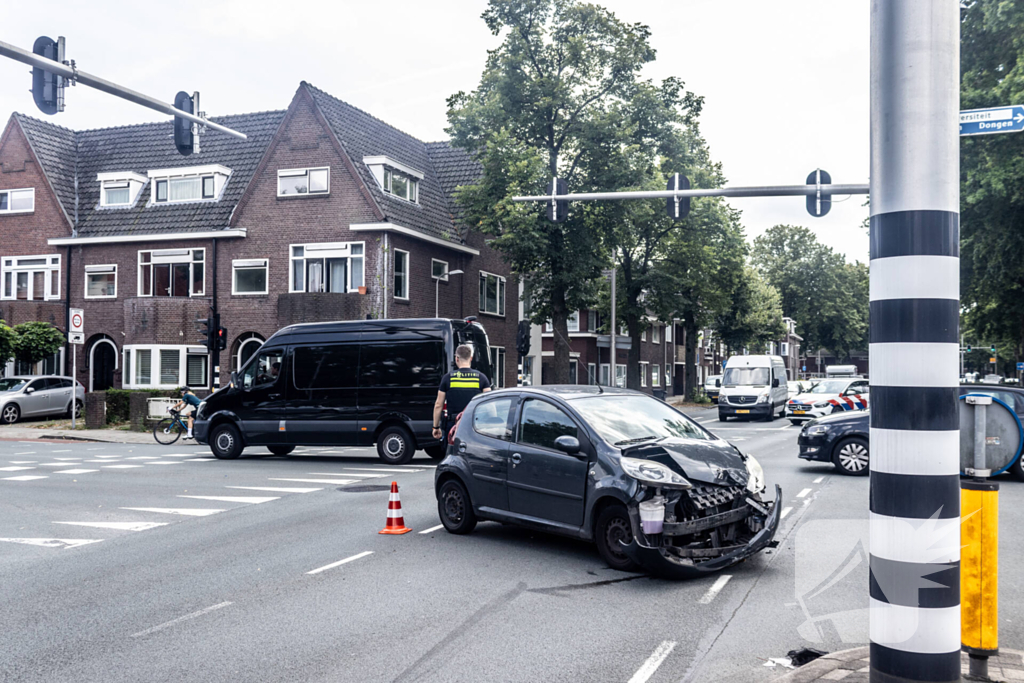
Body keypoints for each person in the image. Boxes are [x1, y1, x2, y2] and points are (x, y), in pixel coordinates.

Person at [433, 344, 491, 441]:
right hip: (475, 425)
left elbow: (439, 404)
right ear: (471, 358)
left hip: (453, 425)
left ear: (457, 358)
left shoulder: (448, 378)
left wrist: (436, 427)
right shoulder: (481, 378)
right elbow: (489, 404)